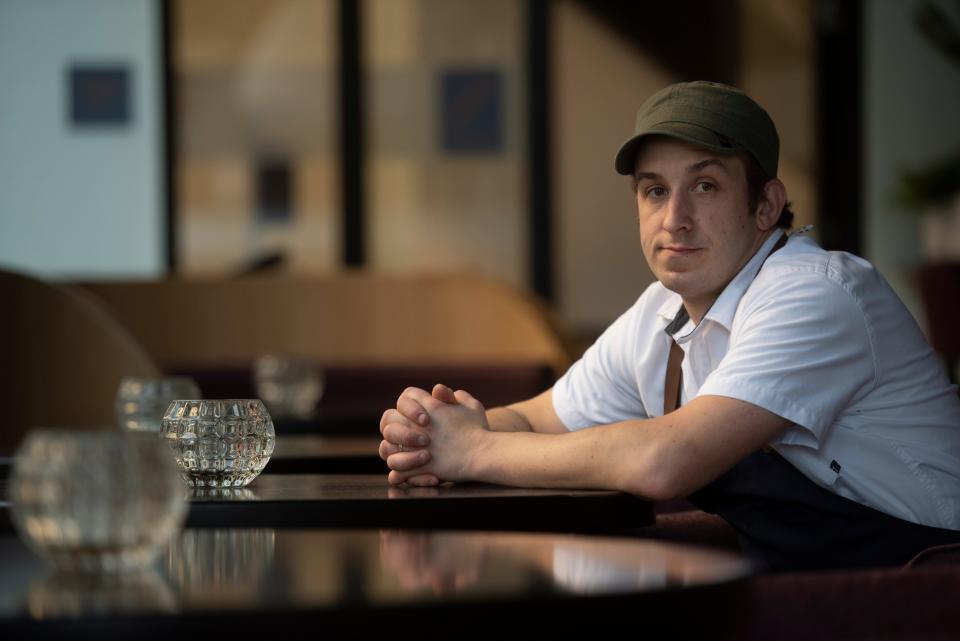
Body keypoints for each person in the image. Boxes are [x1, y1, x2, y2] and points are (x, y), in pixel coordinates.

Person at [378, 80, 960, 571]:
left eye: (704, 186)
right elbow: (539, 418)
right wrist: (438, 433)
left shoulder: (815, 293)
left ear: (765, 205)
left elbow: (666, 460)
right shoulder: (660, 311)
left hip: (919, 584)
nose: (674, 219)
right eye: (655, 190)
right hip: (811, 577)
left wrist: (474, 453)